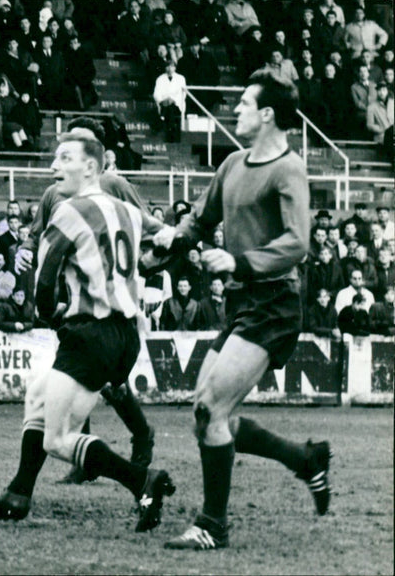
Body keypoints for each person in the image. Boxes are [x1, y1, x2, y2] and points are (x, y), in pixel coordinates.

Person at [156, 73, 331, 550]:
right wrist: (173, 239)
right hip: (240, 303)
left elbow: (297, 242)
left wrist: (239, 261)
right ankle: (305, 459)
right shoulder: (233, 162)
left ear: (268, 114)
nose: (235, 109)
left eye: (244, 103)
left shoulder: (288, 168)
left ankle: (212, 524)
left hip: (274, 304)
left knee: (209, 407)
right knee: (208, 415)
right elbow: (201, 218)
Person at [0, 129, 176, 530]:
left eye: (64, 158)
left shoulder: (69, 210)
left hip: (91, 333)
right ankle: (18, 493)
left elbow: (43, 281)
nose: (54, 166)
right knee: (37, 396)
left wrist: (50, 316)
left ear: (90, 166)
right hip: (124, 334)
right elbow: (164, 246)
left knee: (57, 439)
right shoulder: (129, 211)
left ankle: (142, 481)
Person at [13, 116, 162, 480]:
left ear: (94, 158)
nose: (58, 164)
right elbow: (40, 235)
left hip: (99, 310)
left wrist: (135, 268)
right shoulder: (55, 194)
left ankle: (136, 443)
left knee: (94, 387)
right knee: (51, 393)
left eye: (72, 151)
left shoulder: (115, 185)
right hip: (84, 309)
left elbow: (148, 230)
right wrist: (26, 247)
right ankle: (26, 486)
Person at [152, 60, 186, 143]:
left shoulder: (181, 78)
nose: (170, 69)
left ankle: (162, 119)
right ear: (165, 68)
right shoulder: (160, 79)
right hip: (164, 103)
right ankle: (171, 129)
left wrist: (173, 100)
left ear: (175, 68)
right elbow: (156, 93)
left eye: (172, 66)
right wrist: (162, 101)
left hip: (176, 104)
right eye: (168, 66)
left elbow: (183, 93)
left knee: (170, 108)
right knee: (169, 108)